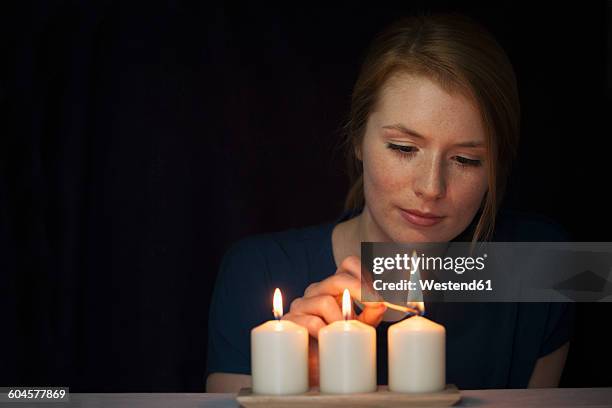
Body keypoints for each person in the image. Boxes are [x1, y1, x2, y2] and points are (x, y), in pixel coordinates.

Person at [205, 13, 574, 392]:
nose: (431, 188)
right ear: (357, 140)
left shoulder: (548, 266)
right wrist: (305, 389)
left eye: (466, 160)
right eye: (403, 148)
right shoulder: (255, 271)